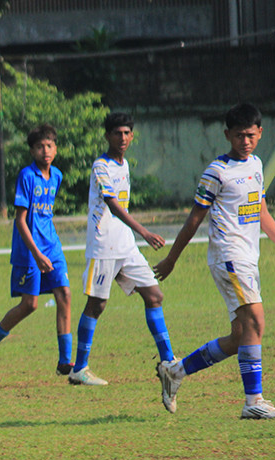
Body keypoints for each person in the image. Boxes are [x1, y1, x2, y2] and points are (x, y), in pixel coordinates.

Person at [153, 103, 275, 418]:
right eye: (238, 136)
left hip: (249, 257)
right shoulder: (217, 171)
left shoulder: (256, 165)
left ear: (260, 133)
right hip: (229, 257)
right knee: (256, 322)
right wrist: (171, 259)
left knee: (241, 336)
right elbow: (194, 220)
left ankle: (175, 372)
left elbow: (260, 211)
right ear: (227, 135)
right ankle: (254, 402)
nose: (245, 141)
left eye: (250, 135)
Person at [68, 112, 175, 389]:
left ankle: (168, 361)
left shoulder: (124, 164)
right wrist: (144, 231)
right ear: (107, 135)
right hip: (104, 246)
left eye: (128, 133)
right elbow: (114, 205)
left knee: (154, 294)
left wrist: (135, 235)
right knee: (96, 305)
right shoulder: (100, 166)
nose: (124, 138)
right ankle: (79, 369)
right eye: (118, 133)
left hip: (126, 246)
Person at [0, 123, 72, 379]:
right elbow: (20, 220)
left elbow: (45, 214)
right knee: (30, 305)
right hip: (30, 249)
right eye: (39, 146)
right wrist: (37, 254)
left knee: (65, 294)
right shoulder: (27, 176)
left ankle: (65, 361)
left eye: (49, 145)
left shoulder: (57, 176)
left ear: (56, 148)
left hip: (52, 245)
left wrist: (47, 250)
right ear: (32, 151)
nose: (45, 150)